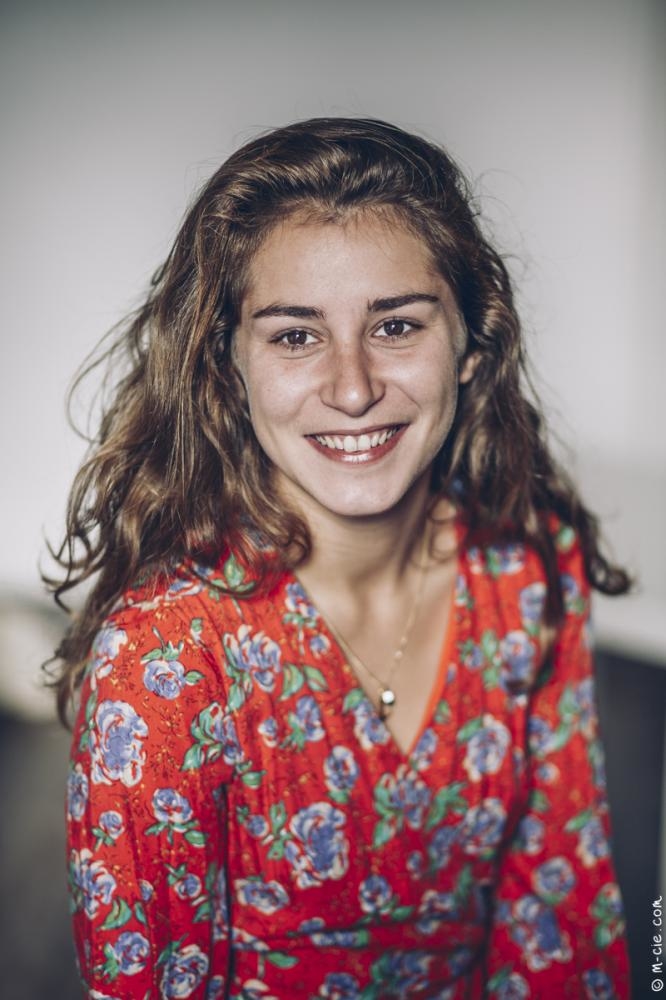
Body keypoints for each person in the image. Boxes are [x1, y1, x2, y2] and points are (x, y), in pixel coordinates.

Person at [51, 118, 632, 998]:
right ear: (227, 365)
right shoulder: (164, 660)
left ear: (472, 343)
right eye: (295, 336)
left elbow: (562, 924)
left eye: (396, 326)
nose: (354, 388)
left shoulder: (526, 571)